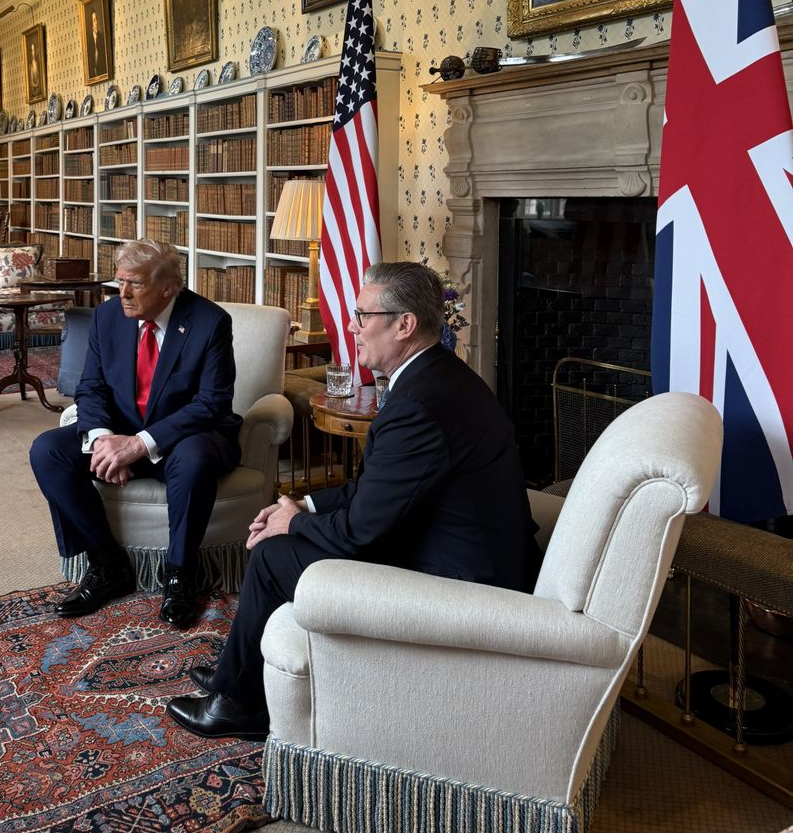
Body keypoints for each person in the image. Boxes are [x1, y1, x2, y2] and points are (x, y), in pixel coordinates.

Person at [166, 261, 539, 741]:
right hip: (455, 546)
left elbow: (364, 531)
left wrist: (289, 526)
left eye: (363, 315)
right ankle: (236, 676)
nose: (351, 326)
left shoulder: (419, 406)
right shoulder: (438, 379)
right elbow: (380, 491)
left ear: (404, 325)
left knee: (276, 556)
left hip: (464, 581)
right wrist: (302, 506)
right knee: (287, 532)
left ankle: (238, 706)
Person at [29, 239, 242, 628]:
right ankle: (107, 564)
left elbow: (212, 403)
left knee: (195, 458)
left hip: (183, 438)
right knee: (47, 451)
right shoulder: (108, 316)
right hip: (121, 431)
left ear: (167, 287)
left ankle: (179, 574)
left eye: (135, 284)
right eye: (120, 281)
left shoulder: (210, 322)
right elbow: (90, 387)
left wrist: (138, 445)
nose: (123, 293)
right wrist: (103, 441)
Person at [87, 8, 107, 78]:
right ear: (91, 25)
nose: (96, 22)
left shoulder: (102, 39)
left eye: (96, 19)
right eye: (94, 20)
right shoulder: (88, 42)